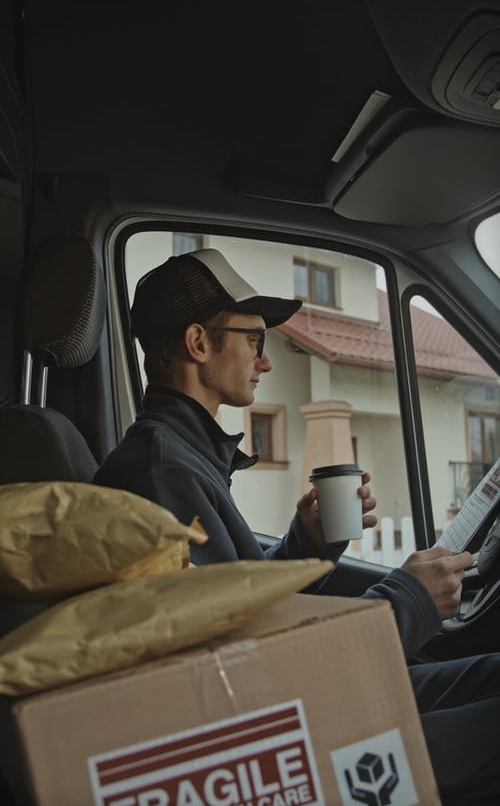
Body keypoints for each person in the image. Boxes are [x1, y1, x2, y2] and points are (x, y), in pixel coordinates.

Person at [94, 248, 500, 804]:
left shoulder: (185, 458)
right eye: (255, 340)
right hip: (275, 731)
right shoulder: (162, 475)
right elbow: (240, 673)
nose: (265, 362)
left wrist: (307, 544)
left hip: (287, 695)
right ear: (197, 343)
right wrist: (408, 601)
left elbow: (241, 617)